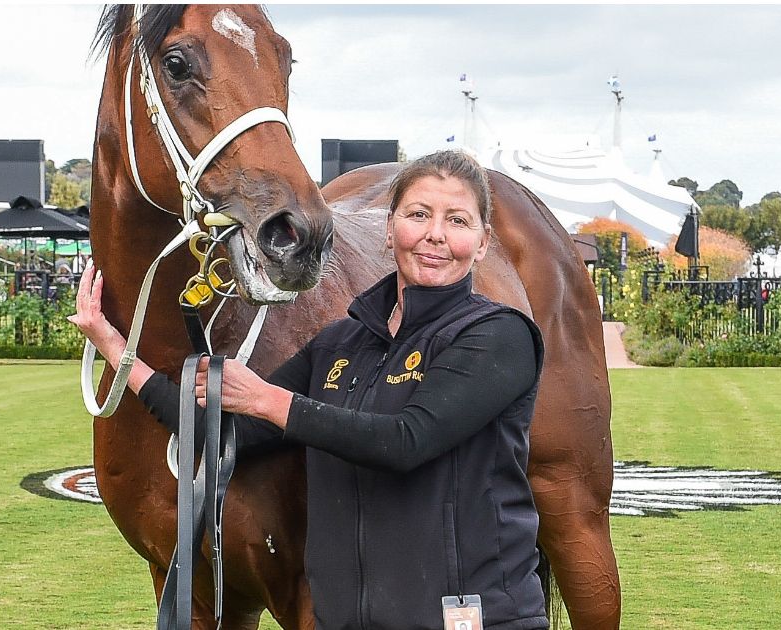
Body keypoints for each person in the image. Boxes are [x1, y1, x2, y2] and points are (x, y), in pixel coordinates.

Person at [70, 151, 549, 630]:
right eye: (419, 214)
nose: (436, 234)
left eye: (457, 220)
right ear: (390, 229)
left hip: (469, 617)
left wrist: (270, 400)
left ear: (482, 243)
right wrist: (113, 346)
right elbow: (216, 431)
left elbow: (406, 441)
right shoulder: (340, 343)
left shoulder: (499, 336)